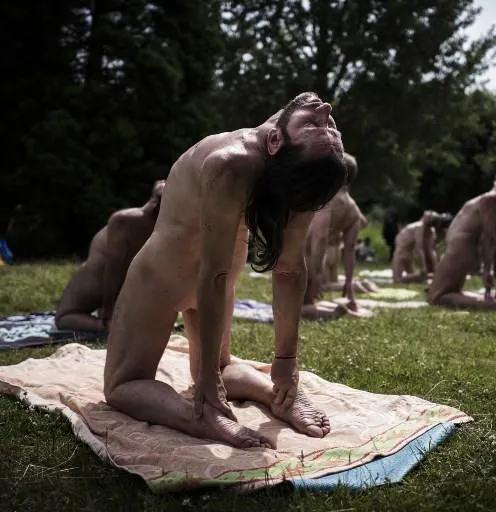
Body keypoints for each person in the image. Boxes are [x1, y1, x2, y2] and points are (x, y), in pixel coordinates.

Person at [103, 92, 347, 449]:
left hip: (166, 274)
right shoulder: (308, 155)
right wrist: (211, 378)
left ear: (276, 140)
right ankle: (252, 396)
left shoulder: (296, 166)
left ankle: (210, 413)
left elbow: (286, 269)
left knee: (123, 384)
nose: (325, 111)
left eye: (321, 126)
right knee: (217, 371)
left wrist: (285, 363)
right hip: (211, 273)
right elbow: (271, 271)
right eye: (321, 123)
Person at [55, 180, 165, 332]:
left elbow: (113, 267)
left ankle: (106, 326)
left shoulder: (127, 219)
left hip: (100, 277)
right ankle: (115, 321)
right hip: (127, 282)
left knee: (64, 317)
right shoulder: (167, 227)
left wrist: (108, 311)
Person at [426, 168, 496, 310]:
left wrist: (488, 270)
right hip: (464, 251)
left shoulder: (490, 199)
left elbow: (490, 237)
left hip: (460, 250)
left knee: (436, 296)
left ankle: (493, 306)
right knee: (453, 291)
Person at [303, 152, 370, 318]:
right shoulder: (353, 209)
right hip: (320, 259)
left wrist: (316, 275)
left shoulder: (326, 198)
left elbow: (320, 238)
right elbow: (350, 250)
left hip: (305, 260)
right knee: (307, 303)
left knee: (288, 308)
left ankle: (334, 312)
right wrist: (349, 282)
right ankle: (341, 309)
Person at [391, 211, 452, 284]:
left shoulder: (420, 226)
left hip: (401, 253)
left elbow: (420, 248)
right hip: (408, 254)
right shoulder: (430, 230)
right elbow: (431, 251)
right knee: (410, 278)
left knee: (397, 280)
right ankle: (427, 276)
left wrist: (424, 267)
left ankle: (423, 275)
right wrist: (435, 268)